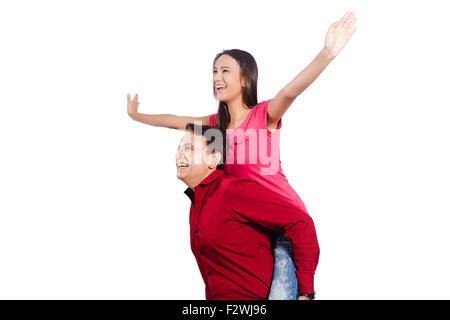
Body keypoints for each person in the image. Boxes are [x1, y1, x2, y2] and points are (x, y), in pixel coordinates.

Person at [128, 11, 357, 299]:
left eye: (225, 71)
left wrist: (327, 53)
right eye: (214, 71)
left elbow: (292, 90)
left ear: (245, 79)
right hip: (252, 222)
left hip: (285, 226)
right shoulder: (214, 127)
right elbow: (174, 120)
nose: (217, 78)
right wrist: (136, 116)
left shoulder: (263, 116)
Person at [176, 123, 319, 300]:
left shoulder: (233, 190)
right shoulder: (197, 202)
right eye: (179, 148)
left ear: (213, 159)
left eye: (189, 148)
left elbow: (300, 221)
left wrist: (305, 293)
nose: (179, 154)